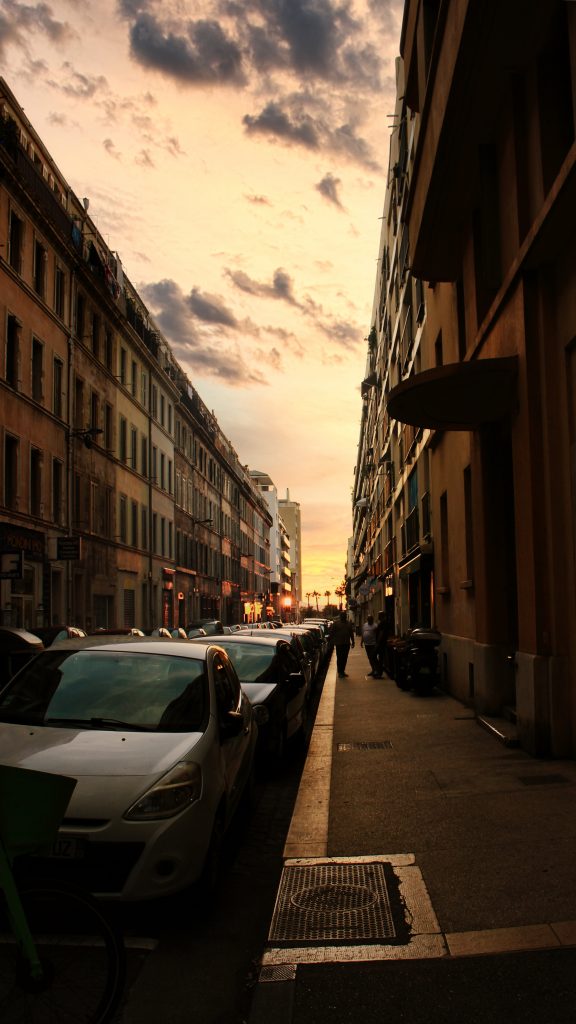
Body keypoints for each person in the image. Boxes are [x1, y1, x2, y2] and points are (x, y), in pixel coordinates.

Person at [329, 612, 355, 677]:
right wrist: (332, 642)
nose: (344, 617)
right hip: (339, 644)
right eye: (343, 616)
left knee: (345, 658)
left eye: (345, 616)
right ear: (340, 616)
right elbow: (332, 633)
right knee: (340, 658)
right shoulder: (336, 624)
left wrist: (353, 642)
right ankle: (340, 672)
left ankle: (342, 671)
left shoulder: (348, 624)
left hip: (346, 644)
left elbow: (351, 633)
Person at [375, 610, 389, 678]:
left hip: (381, 643)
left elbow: (381, 633)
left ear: (381, 616)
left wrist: (378, 642)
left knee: (378, 657)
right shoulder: (382, 622)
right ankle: (380, 670)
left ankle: (379, 672)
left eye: (379, 615)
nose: (378, 616)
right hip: (382, 642)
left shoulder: (383, 623)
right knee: (380, 657)